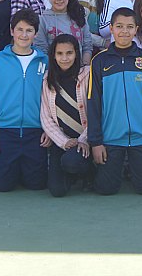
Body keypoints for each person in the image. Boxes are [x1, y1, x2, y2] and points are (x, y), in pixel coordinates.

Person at [87, 7, 142, 195]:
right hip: (111, 138)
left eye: (129, 27)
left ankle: (133, 170)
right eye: (119, 26)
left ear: (136, 29)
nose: (124, 31)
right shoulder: (99, 61)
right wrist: (96, 142)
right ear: (112, 29)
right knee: (105, 190)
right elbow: (93, 103)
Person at [0, 9, 52, 192]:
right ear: (12, 31)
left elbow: (51, 99)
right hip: (6, 131)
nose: (24, 35)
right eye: (19, 29)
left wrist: (49, 129)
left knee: (36, 185)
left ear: (35, 34)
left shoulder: (44, 61)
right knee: (2, 186)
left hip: (35, 132)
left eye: (29, 30)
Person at [40, 34, 94, 197]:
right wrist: (64, 142)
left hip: (87, 139)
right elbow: (46, 117)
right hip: (63, 141)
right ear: (53, 55)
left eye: (69, 53)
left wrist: (83, 140)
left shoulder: (88, 75)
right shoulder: (47, 80)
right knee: (57, 190)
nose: (64, 58)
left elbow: (97, 112)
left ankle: (89, 172)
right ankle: (73, 173)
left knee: (72, 161)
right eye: (60, 53)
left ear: (76, 53)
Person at [35, 0, 93, 66]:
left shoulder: (79, 15)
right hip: (54, 73)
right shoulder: (43, 20)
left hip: (80, 72)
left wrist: (84, 67)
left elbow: (87, 45)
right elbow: (42, 50)